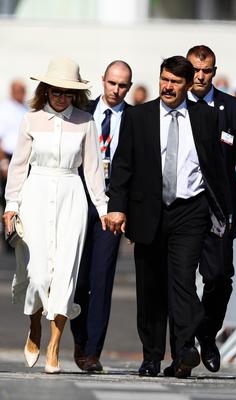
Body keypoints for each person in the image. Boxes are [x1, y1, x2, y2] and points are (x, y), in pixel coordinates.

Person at [106, 55, 232, 378]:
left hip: (190, 210)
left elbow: (216, 169)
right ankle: (151, 356)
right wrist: (117, 207)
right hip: (149, 210)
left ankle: (183, 352)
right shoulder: (140, 117)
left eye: (175, 82)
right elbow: (122, 166)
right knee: (150, 287)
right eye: (164, 79)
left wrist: (222, 211)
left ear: (188, 85)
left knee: (182, 281)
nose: (168, 86)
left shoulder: (204, 118)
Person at [2, 57, 107, 374]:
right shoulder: (30, 120)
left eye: (67, 92)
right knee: (37, 275)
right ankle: (35, 325)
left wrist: (103, 209)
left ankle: (54, 345)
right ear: (45, 90)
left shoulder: (86, 122)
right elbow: (19, 166)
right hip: (35, 194)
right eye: (56, 91)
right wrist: (11, 206)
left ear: (75, 94)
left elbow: (92, 170)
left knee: (64, 275)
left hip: (71, 196)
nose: (61, 97)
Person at [172, 45, 236, 374]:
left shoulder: (233, 109)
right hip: (182, 208)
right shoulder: (173, 106)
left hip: (219, 210)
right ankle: (183, 349)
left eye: (206, 70)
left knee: (219, 277)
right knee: (180, 279)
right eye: (194, 69)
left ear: (213, 71)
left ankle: (207, 334)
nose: (199, 75)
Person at [70, 60, 132, 372]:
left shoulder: (135, 119)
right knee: (77, 281)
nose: (116, 90)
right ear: (103, 81)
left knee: (102, 278)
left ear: (129, 87)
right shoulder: (83, 114)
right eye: (112, 83)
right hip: (79, 203)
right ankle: (80, 338)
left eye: (122, 86)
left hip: (113, 208)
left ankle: (93, 351)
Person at [0, 80, 28, 248]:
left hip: (22, 156)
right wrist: (3, 162)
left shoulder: (25, 108)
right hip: (8, 157)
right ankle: (8, 237)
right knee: (8, 197)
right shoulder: (5, 109)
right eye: (18, 90)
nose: (21, 93)